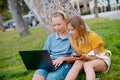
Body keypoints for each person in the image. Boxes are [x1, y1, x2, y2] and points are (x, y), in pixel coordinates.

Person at [65, 16, 112, 80]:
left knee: (87, 65)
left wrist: (86, 57)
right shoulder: (73, 39)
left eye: (72, 30)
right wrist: (78, 57)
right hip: (88, 59)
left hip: (101, 60)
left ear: (81, 27)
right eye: (69, 30)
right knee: (77, 62)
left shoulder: (92, 36)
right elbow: (80, 54)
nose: (70, 32)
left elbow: (97, 56)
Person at [32, 11, 75, 80]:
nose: (56, 28)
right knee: (37, 77)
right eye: (54, 25)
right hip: (50, 63)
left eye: (59, 24)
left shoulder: (72, 37)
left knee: (52, 78)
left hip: (65, 63)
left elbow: (75, 58)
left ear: (65, 21)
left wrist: (63, 58)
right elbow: (44, 54)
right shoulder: (51, 38)